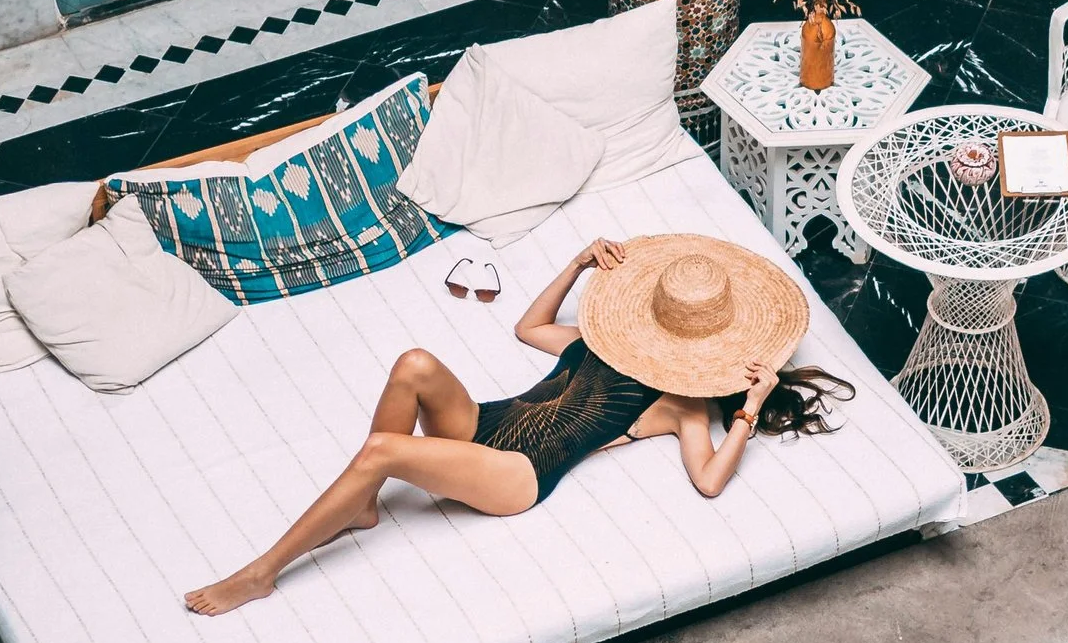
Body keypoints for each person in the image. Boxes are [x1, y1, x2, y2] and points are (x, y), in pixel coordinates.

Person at [185, 231, 850, 615]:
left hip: (520, 474)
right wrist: (578, 264)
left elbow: (707, 480)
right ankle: (359, 510)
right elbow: (527, 327)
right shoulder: (609, 342)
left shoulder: (685, 403)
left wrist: (750, 407)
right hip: (486, 423)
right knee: (413, 362)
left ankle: (265, 569)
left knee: (385, 451)